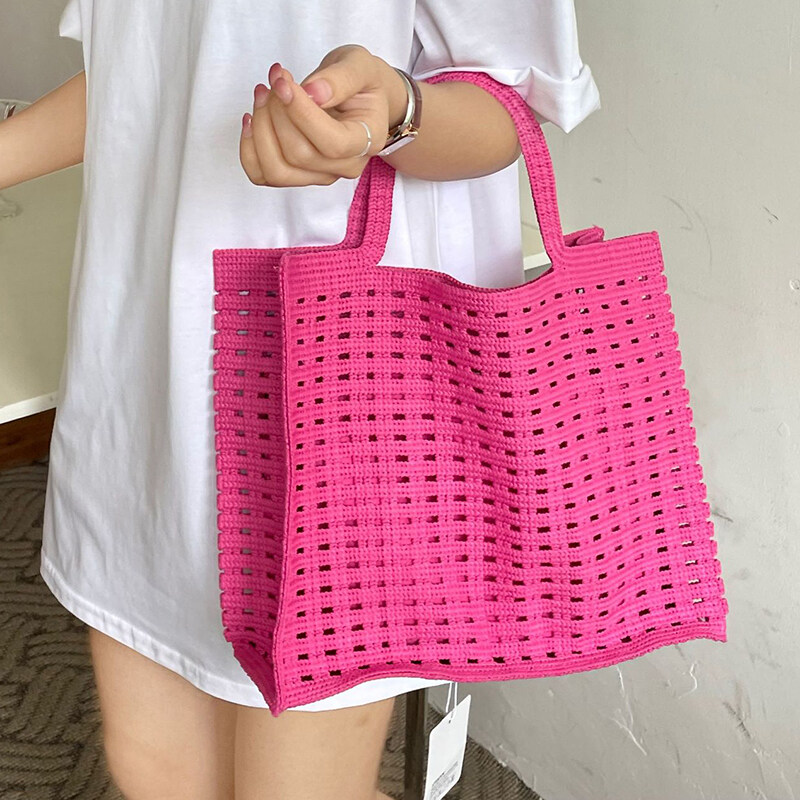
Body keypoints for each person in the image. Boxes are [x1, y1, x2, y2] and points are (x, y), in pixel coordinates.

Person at [0, 2, 600, 798]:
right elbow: (142, 78)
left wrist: (395, 113)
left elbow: (513, 100)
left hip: (344, 386)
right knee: (155, 768)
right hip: (145, 363)